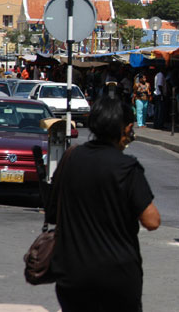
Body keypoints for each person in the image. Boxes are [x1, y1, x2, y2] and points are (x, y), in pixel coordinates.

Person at [46, 97, 160, 311]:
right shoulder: (127, 168)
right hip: (117, 274)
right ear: (125, 129)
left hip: (72, 272)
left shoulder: (70, 158)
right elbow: (152, 220)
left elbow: (51, 210)